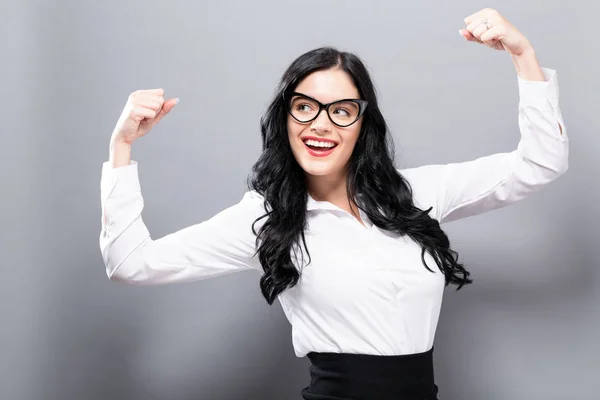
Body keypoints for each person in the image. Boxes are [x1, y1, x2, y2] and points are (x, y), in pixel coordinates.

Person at [99, 8, 568, 400]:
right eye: (305, 107)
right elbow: (132, 264)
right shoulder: (266, 221)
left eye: (341, 111)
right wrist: (122, 147)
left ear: (362, 125)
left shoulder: (417, 195)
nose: (321, 124)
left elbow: (539, 164)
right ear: (285, 118)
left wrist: (522, 55)